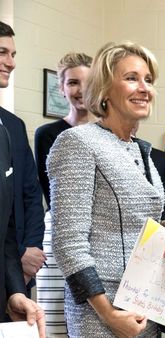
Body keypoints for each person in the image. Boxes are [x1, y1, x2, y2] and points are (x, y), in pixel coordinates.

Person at [47, 41, 165, 338]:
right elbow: (68, 243)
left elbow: (134, 221)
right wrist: (109, 314)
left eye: (148, 80)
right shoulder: (78, 142)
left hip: (145, 301)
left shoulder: (142, 150)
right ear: (103, 89)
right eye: (131, 78)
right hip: (100, 312)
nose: (144, 88)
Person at [34, 51, 93, 337]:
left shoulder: (106, 133)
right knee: (56, 322)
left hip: (99, 236)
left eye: (86, 82)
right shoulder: (48, 134)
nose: (79, 90)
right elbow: (52, 191)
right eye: (72, 83)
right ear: (61, 88)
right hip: (58, 233)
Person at [0, 21, 46, 338]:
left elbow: (27, 198)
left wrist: (15, 287)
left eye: (13, 53)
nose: (12, 62)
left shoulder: (8, 129)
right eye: (2, 52)